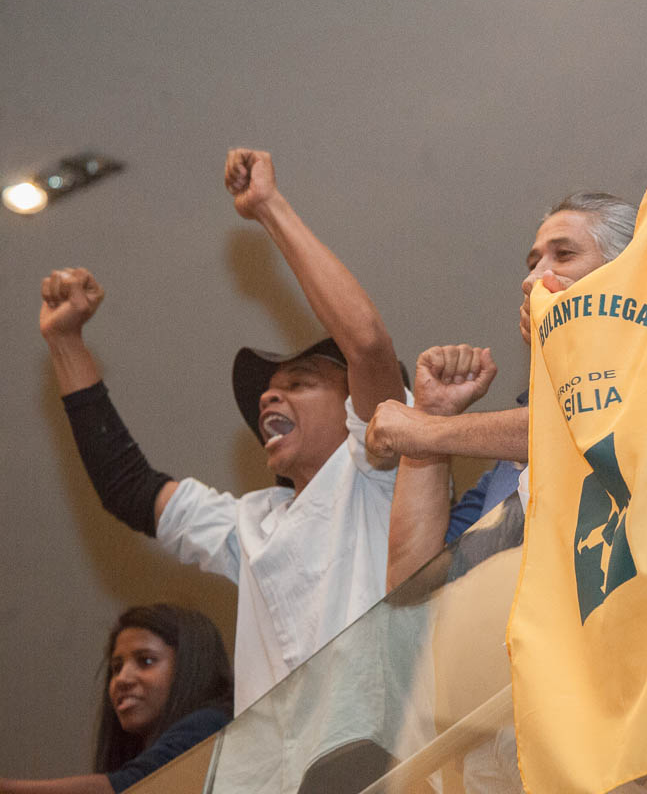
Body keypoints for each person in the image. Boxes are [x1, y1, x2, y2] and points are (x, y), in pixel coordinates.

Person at [39, 149, 408, 713]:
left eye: (302, 382)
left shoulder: (383, 475)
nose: (268, 397)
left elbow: (367, 343)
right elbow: (129, 488)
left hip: (391, 743)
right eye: (270, 391)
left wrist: (268, 206)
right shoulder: (251, 525)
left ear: (354, 406)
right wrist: (66, 343)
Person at [368, 193, 637, 587]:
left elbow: (590, 423)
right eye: (533, 264)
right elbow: (411, 581)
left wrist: (424, 431)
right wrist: (432, 413)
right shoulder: (508, 465)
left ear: (630, 272)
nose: (532, 280)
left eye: (563, 255)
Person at [0, 604, 233, 794]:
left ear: (191, 667)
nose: (122, 679)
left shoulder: (212, 724)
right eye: (116, 667)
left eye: (146, 661)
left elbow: (134, 787)